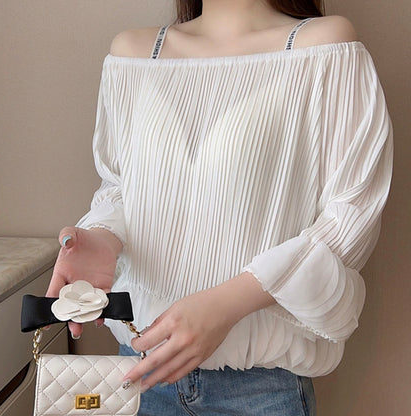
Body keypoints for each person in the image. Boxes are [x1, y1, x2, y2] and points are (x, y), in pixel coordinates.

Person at [46, 0, 393, 414]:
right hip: (137, 379)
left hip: (259, 392)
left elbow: (351, 214)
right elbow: (121, 187)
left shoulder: (323, 47)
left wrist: (227, 304)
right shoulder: (133, 54)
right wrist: (103, 238)